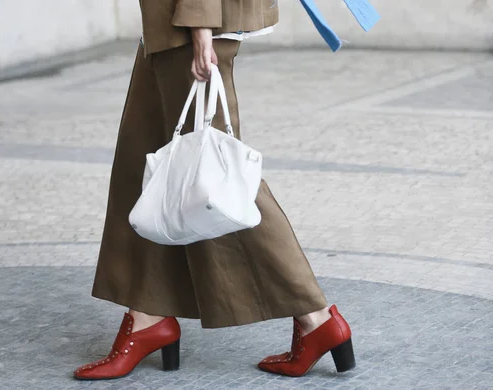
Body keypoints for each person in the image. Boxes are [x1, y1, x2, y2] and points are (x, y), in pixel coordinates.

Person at [74, 0, 355, 380]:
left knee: (221, 183)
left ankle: (315, 319)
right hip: (167, 20)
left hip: (189, 19)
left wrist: (200, 24)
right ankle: (148, 314)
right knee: (140, 167)